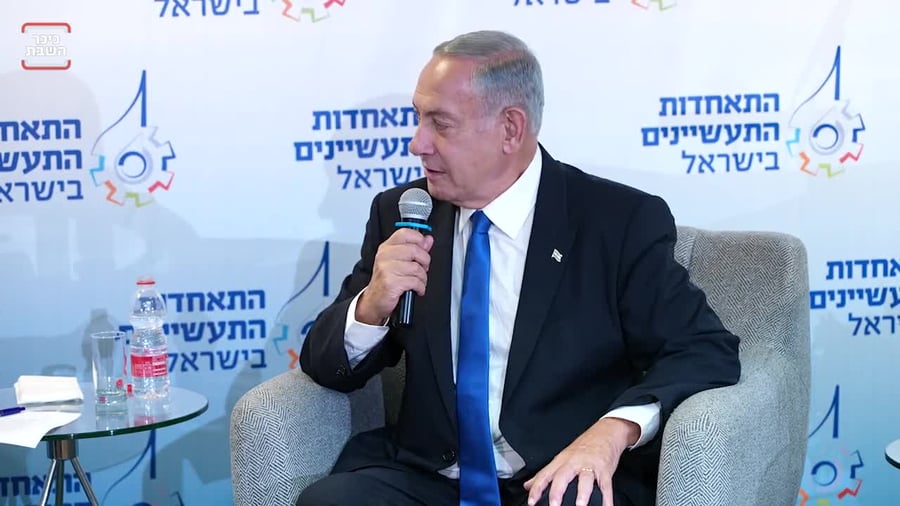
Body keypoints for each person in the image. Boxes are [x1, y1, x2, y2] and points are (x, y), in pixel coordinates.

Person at [297, 30, 740, 506]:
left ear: (510, 128)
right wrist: (371, 307)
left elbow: (703, 350)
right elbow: (325, 367)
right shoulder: (403, 214)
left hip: (559, 477)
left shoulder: (615, 222)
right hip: (430, 474)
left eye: (440, 124)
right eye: (418, 118)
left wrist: (613, 431)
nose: (417, 143)